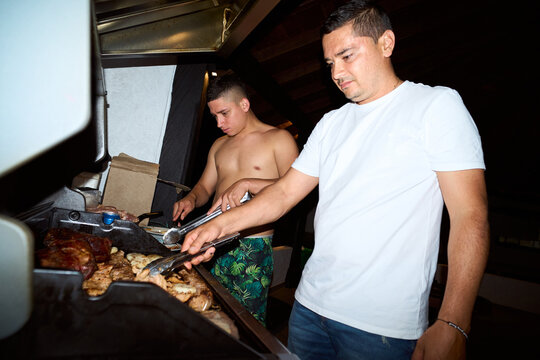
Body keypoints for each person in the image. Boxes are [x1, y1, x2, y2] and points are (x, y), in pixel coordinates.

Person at [181, 1, 489, 359]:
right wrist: (215, 228)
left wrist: (453, 321)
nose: (336, 73)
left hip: (381, 328)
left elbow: (471, 216)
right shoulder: (331, 124)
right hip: (309, 309)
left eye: (346, 56)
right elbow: (282, 195)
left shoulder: (436, 106)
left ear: (386, 43)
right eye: (330, 63)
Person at [172, 74, 298, 325]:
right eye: (215, 116)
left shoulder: (279, 139)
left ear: (244, 104)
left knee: (246, 323)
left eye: (224, 113)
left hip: (252, 247)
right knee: (209, 315)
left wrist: (249, 183)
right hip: (212, 244)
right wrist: (191, 198)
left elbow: (294, 191)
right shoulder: (219, 145)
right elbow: (205, 188)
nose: (219, 123)